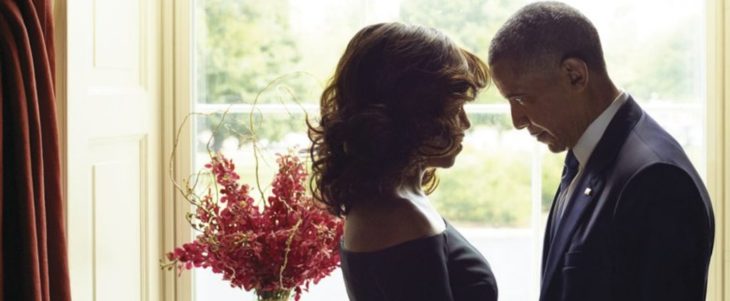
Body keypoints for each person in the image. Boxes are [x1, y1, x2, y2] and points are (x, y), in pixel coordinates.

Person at [487, 2, 714, 301]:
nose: (516, 121)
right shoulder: (583, 154)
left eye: (520, 99)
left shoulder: (657, 179)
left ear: (574, 75)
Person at [308, 22, 498, 301]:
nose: (465, 123)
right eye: (455, 109)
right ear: (415, 112)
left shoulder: (397, 200)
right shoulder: (398, 220)